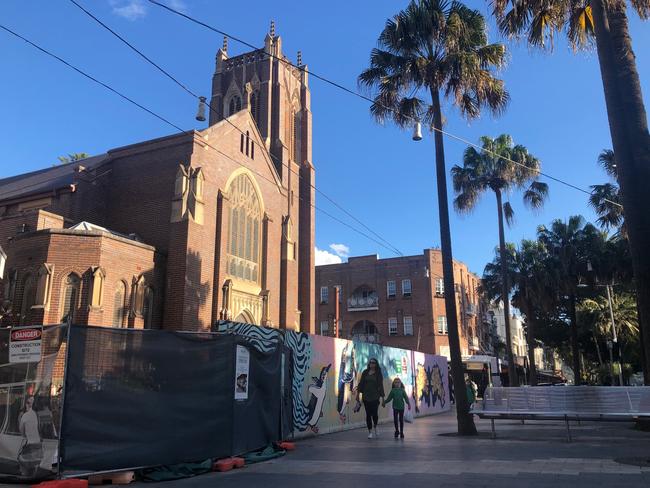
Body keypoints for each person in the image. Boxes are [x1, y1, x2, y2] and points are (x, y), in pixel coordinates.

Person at [355, 358, 385, 439]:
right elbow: (361, 384)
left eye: (374, 363)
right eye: (371, 363)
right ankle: (370, 432)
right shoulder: (365, 372)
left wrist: (383, 398)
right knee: (368, 414)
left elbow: (380, 386)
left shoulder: (378, 373)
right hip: (366, 396)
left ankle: (375, 426)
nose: (372, 364)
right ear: (369, 364)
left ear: (376, 364)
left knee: (374, 414)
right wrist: (358, 394)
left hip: (375, 397)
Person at [18, 395, 42, 478]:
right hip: (38, 443)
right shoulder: (38, 415)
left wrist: (26, 435)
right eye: (28, 402)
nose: (29, 405)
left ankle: (25, 476)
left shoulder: (25, 416)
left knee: (20, 458)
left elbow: (21, 431)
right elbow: (40, 429)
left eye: (30, 403)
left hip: (30, 444)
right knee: (35, 461)